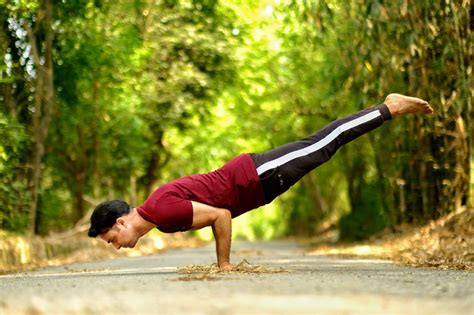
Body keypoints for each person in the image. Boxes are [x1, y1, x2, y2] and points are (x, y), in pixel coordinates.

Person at [88, 93, 433, 270]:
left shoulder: (160, 210)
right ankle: (387, 108)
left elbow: (220, 215)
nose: (116, 245)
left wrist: (223, 265)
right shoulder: (159, 218)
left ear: (121, 221)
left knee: (325, 143)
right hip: (259, 182)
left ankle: (388, 108)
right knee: (324, 146)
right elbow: (216, 210)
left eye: (112, 238)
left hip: (257, 175)